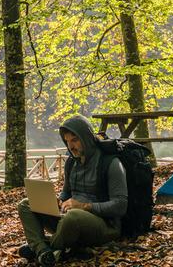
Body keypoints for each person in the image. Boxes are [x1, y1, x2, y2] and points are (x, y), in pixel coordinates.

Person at [16, 114, 127, 266]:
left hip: (104, 225)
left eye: (75, 140)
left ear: (87, 138)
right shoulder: (71, 163)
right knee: (26, 204)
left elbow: (120, 205)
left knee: (72, 216)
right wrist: (59, 201)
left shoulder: (111, 163)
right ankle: (44, 251)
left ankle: (43, 246)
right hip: (68, 220)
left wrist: (84, 206)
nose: (70, 146)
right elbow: (66, 192)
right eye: (67, 141)